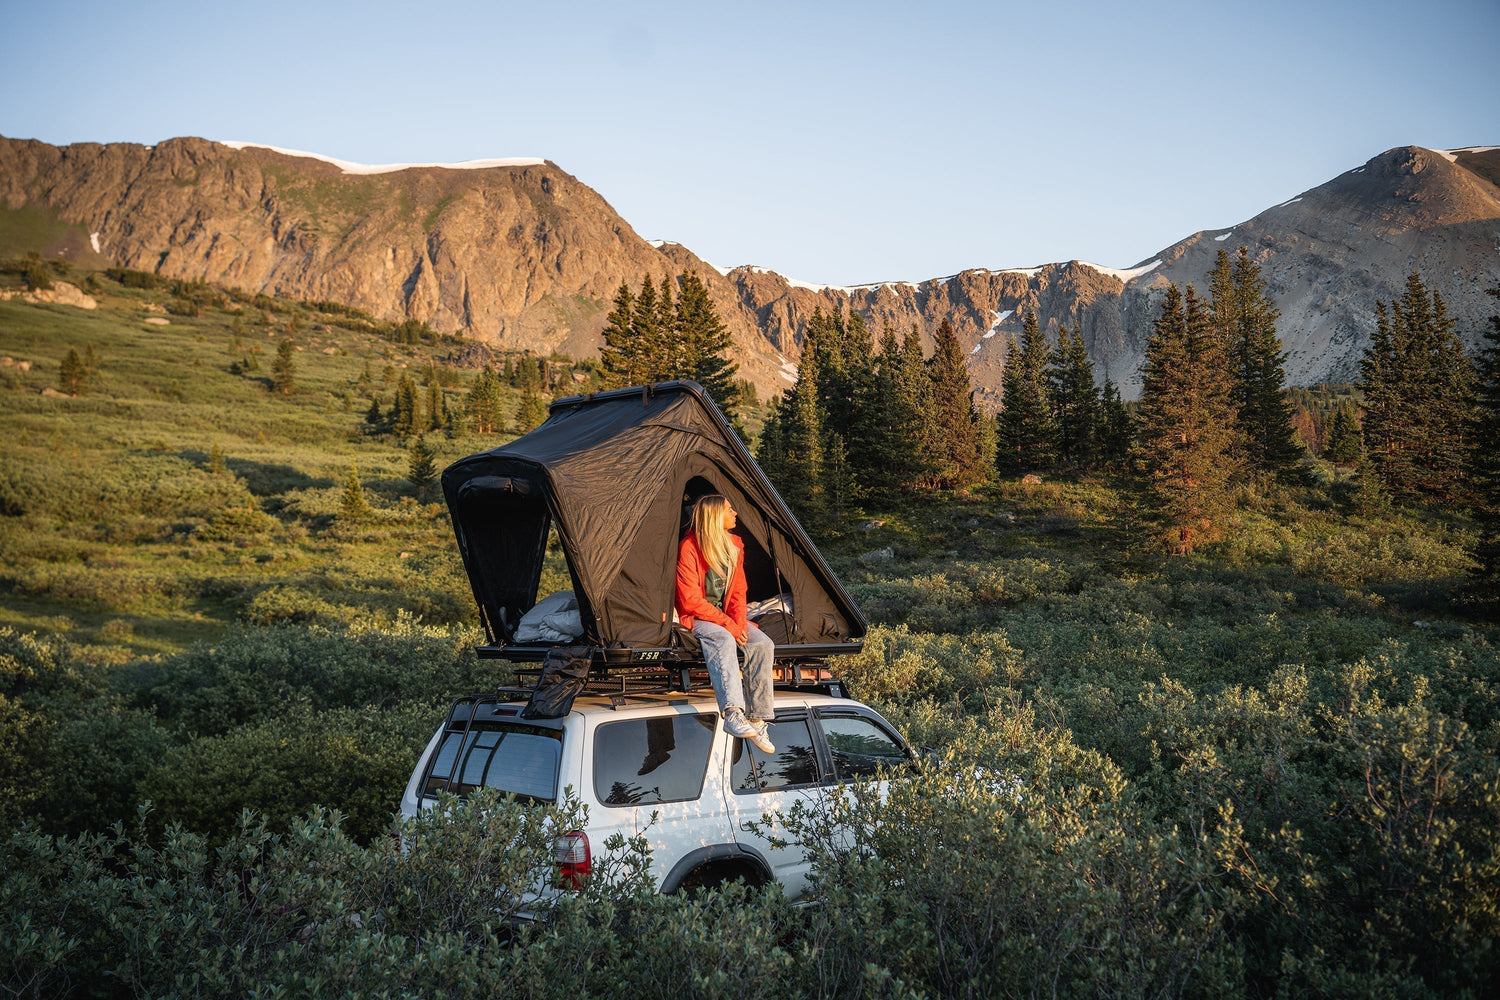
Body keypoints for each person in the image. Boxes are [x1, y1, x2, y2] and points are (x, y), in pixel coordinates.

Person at [675, 494, 776, 754]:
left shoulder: (733, 545)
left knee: (763, 644)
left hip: (726, 617)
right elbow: (689, 600)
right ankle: (732, 713)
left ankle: (757, 718)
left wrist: (740, 623)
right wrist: (729, 626)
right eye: (729, 509)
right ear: (715, 516)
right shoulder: (689, 547)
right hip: (697, 617)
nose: (735, 514)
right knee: (722, 638)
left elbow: (739, 592)